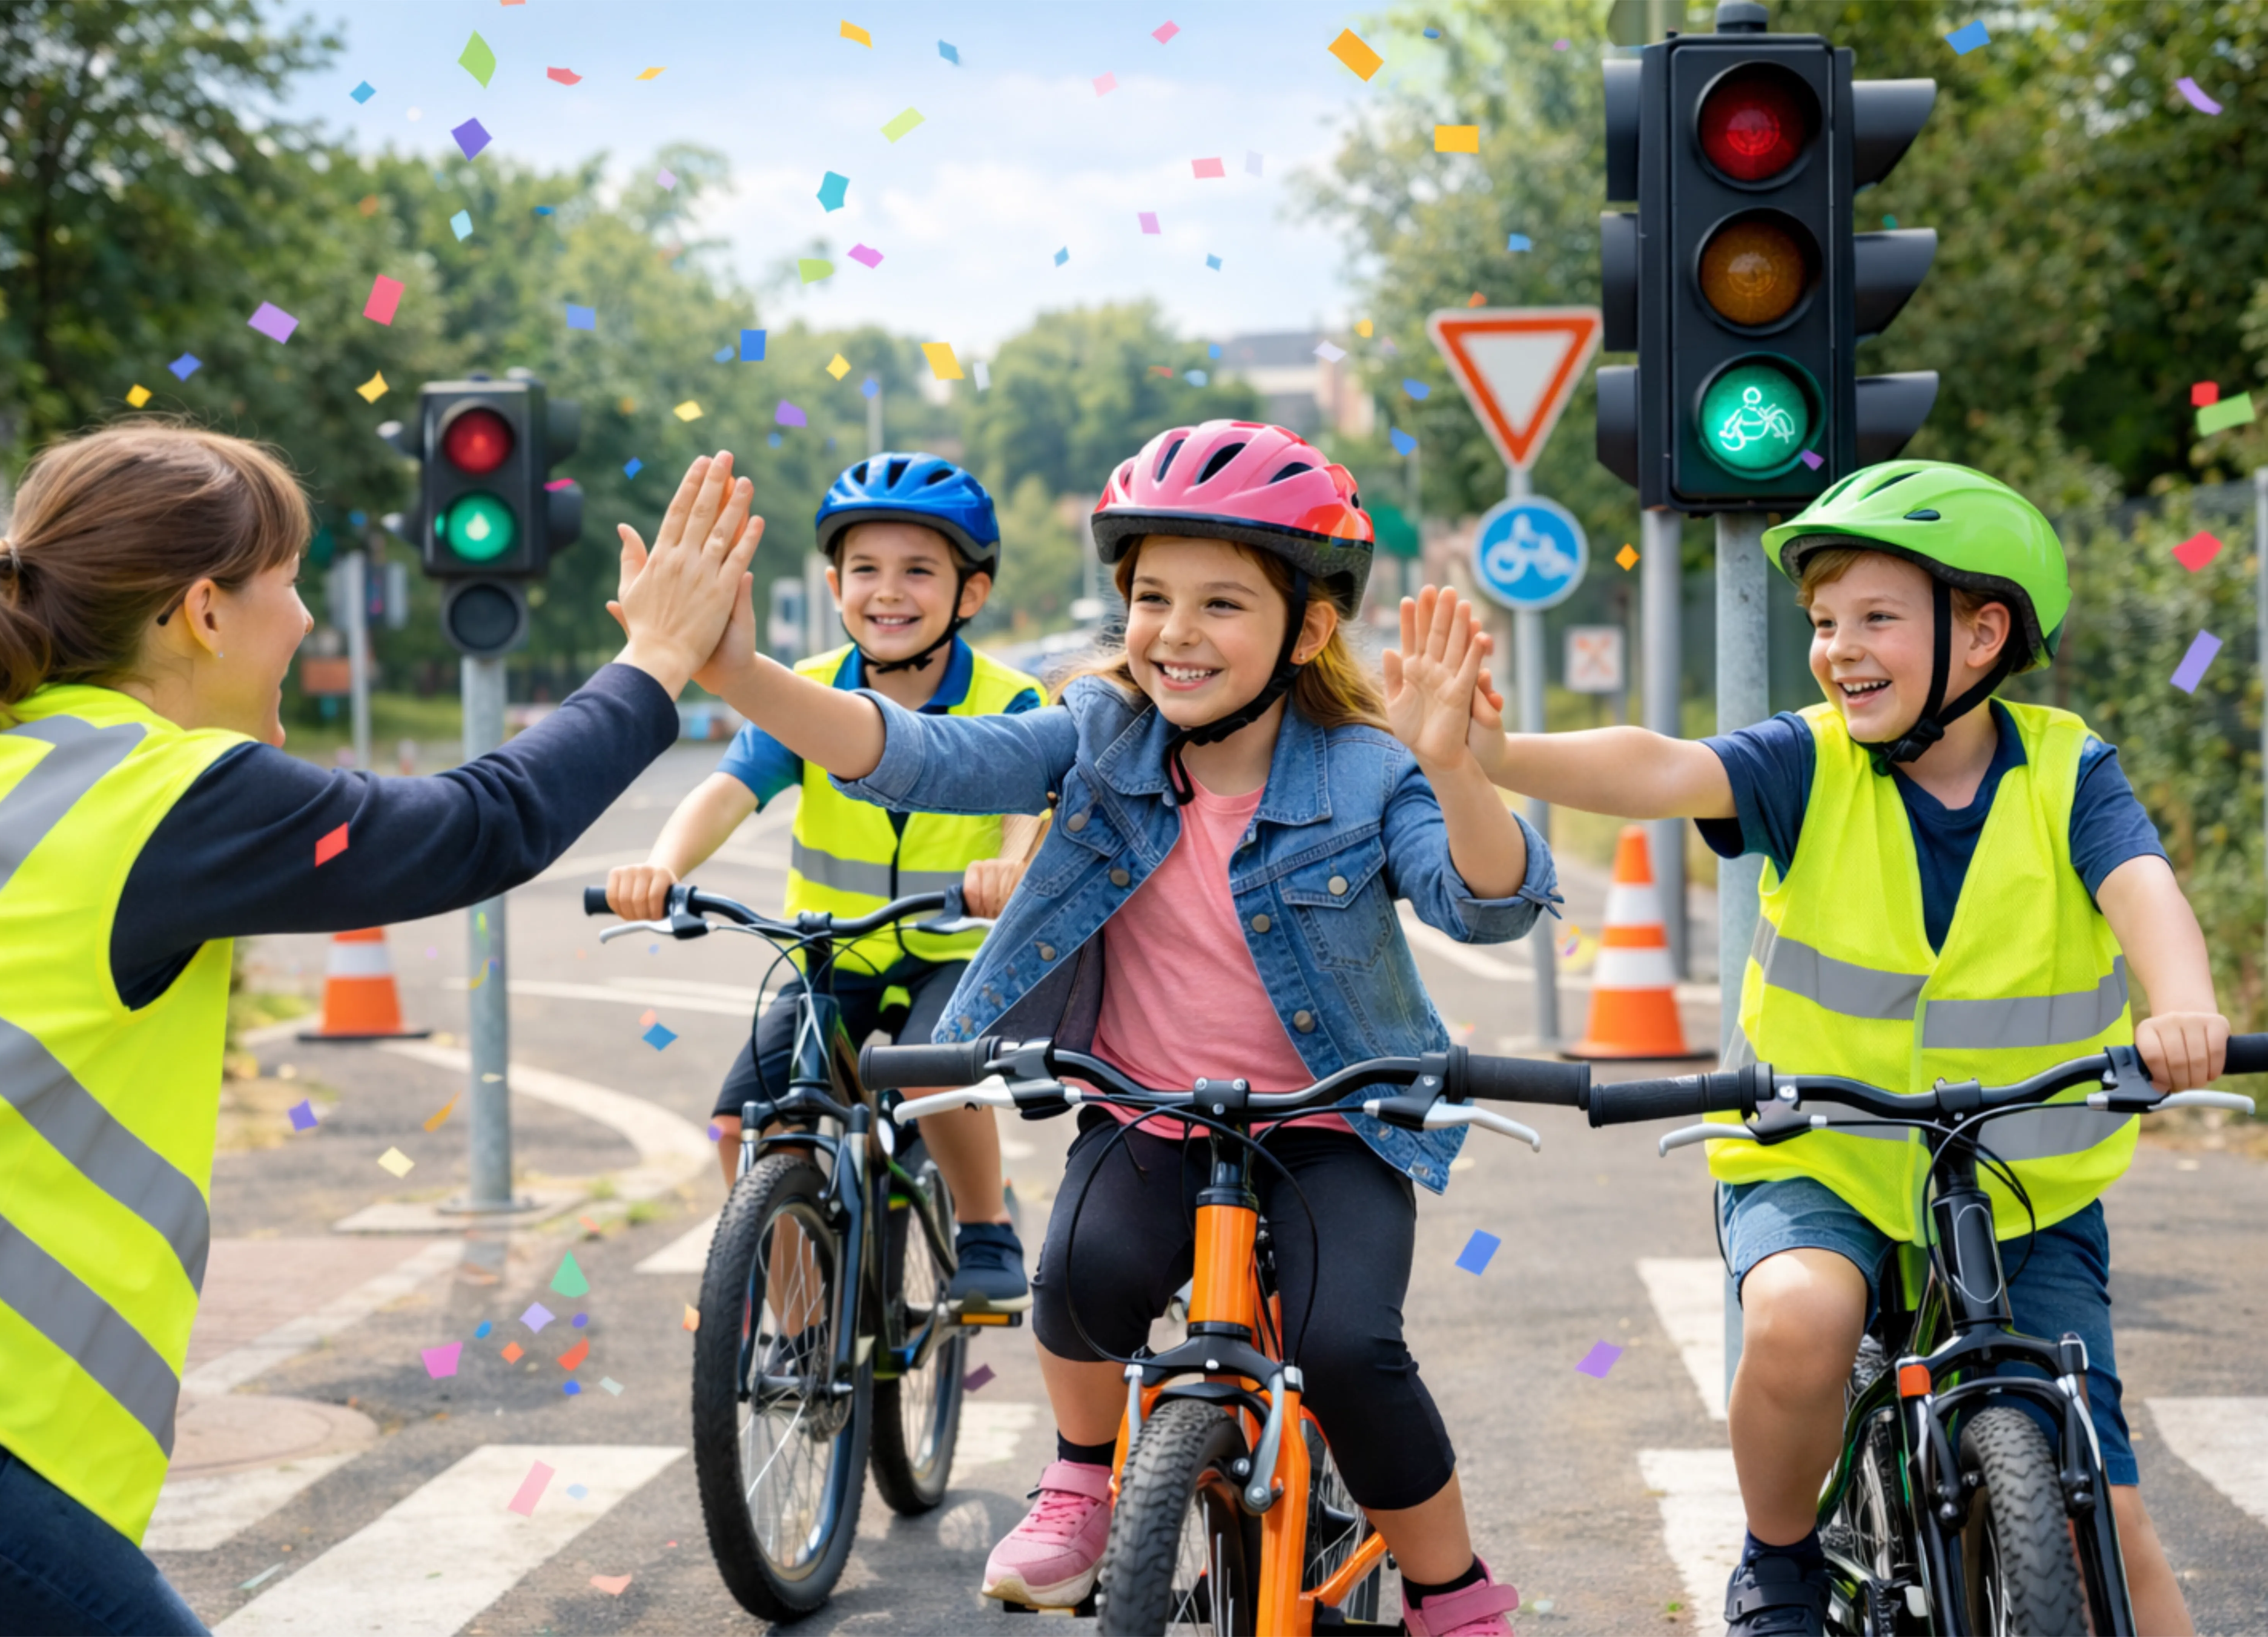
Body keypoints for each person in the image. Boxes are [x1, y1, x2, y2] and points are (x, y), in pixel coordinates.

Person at [0, 427, 759, 1636]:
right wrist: (658, 658)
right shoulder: (159, 792)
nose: (308, 620)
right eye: (291, 581)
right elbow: (482, 827)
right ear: (204, 611)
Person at [691, 420, 1560, 1637]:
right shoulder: (1097, 736)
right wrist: (740, 676)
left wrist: (1459, 769)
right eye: (1152, 597)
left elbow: (1492, 899)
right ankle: (1083, 1483)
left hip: (1335, 1123)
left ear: (1308, 629)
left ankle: (1454, 1593)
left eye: (1221, 602)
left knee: (1348, 1344)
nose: (1175, 632)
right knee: (1078, 1284)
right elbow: (929, 757)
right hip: (1151, 1106)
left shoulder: (1367, 770)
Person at [1455, 460, 2224, 1637]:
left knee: (2111, 1522)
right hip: (1822, 1153)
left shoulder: (2071, 769)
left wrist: (2184, 1003)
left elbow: (2146, 889)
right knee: (1803, 1321)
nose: (1836, 646)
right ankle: (1777, 1560)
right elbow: (1666, 766)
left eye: (1875, 618)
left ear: (1983, 632)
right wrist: (1498, 756)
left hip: (2025, 1184)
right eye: (1823, 621)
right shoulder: (1811, 760)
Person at [606, 453, 1045, 1312]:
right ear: (833, 583)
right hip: (826, 954)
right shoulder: (802, 691)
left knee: (926, 1072)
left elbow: (1029, 804)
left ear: (972, 593)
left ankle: (985, 1222)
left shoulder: (1011, 697)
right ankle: (801, 1334)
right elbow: (728, 790)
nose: (888, 591)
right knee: (741, 1125)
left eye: (918, 570)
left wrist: (1010, 866)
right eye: (864, 570)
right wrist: (662, 866)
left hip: (948, 953)